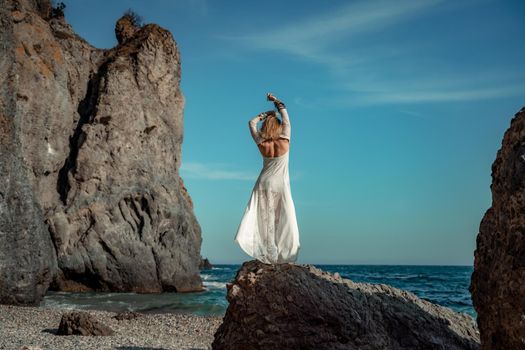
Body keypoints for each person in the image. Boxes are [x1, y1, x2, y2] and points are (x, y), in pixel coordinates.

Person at [234, 93, 301, 264]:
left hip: (263, 183)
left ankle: (268, 256)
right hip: (279, 184)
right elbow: (285, 114)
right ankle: (281, 255)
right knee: (284, 217)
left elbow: (251, 122)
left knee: (266, 219)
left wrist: (264, 115)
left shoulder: (261, 143)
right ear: (278, 127)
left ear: (265, 127)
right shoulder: (285, 139)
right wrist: (275, 101)